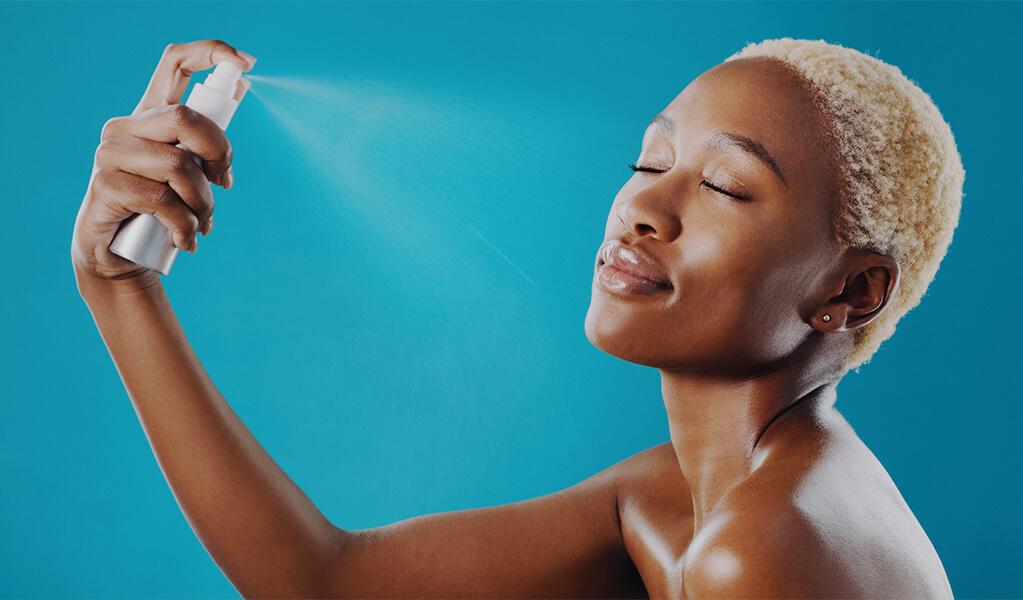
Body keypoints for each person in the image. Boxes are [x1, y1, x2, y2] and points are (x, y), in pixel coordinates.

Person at [72, 37, 963, 598]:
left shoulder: (765, 550)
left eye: (727, 184)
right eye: (650, 160)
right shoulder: (681, 495)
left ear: (851, 293)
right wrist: (118, 287)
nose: (643, 208)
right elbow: (328, 583)